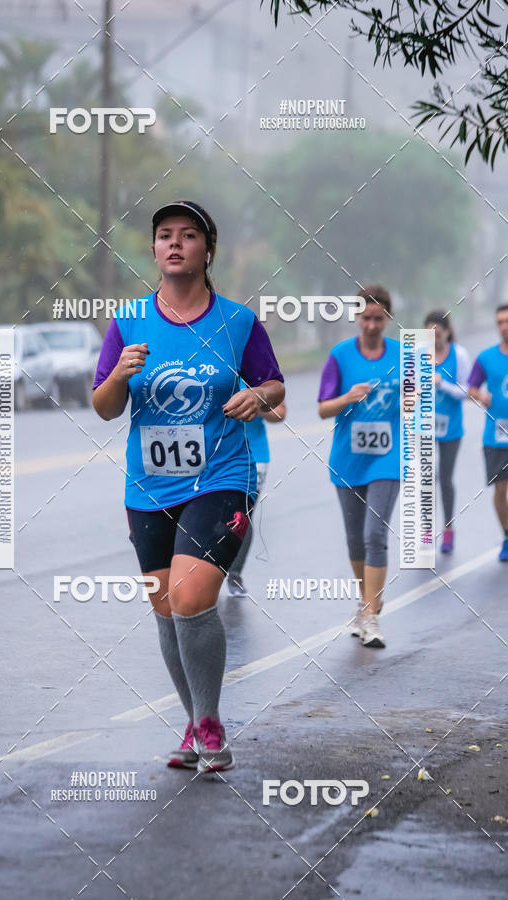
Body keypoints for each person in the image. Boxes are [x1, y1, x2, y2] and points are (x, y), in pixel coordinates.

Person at [92, 200, 285, 772]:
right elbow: (104, 408)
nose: (175, 243)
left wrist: (259, 396)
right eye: (164, 235)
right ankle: (194, 720)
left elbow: (275, 387)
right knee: (166, 608)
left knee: (192, 596)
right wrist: (119, 375)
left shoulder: (238, 322)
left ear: (207, 249)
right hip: (149, 486)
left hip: (223, 475)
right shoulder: (128, 322)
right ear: (153, 250)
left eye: (188, 235)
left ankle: (210, 725)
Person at [317, 285, 401, 649]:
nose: (371, 324)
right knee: (355, 539)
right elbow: (322, 408)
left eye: (378, 318)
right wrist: (346, 398)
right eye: (365, 317)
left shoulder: (403, 355)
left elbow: (417, 404)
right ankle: (365, 602)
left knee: (374, 535)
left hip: (388, 457)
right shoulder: (339, 355)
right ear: (356, 317)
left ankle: (371, 616)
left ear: (388, 319)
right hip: (348, 459)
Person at [227, 391, 287, 597]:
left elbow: (280, 413)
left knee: (242, 515)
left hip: (254, 455)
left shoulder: (254, 366)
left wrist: (257, 405)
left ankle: (234, 572)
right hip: (211, 456)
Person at [424, 311, 471, 553]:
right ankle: (425, 532)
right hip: (425, 426)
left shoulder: (459, 354)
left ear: (447, 331)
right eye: (430, 334)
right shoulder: (421, 354)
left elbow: (467, 391)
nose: (434, 339)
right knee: (425, 479)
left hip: (451, 428)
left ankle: (449, 529)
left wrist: (443, 383)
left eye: (438, 334)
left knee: (445, 479)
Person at [467, 303, 508, 562]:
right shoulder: (485, 358)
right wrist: (480, 395)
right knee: (500, 492)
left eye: (507, 321)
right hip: (496, 437)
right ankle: (506, 537)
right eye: (500, 322)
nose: (504, 326)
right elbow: (471, 388)